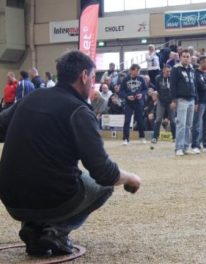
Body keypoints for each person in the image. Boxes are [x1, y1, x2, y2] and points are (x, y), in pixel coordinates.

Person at [0, 50, 141, 257]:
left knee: (41, 175)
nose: (93, 84)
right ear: (84, 76)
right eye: (93, 78)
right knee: (104, 187)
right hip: (53, 198)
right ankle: (57, 231)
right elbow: (103, 173)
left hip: (10, 199)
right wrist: (132, 178)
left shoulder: (30, 98)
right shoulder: (79, 111)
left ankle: (33, 228)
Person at [170, 50, 196, 156]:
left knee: (189, 125)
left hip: (191, 100)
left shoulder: (191, 69)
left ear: (190, 58)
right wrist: (173, 100)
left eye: (188, 56)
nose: (186, 58)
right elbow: (173, 86)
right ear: (180, 58)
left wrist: (196, 100)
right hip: (181, 100)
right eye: (184, 56)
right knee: (181, 124)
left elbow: (194, 85)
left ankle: (186, 147)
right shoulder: (176, 69)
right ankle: (179, 147)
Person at [191, 56, 206, 153]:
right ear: (201, 63)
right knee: (197, 124)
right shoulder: (195, 73)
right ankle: (195, 145)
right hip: (200, 102)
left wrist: (205, 86)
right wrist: (196, 101)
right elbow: (198, 88)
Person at [120, 64, 148, 145]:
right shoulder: (125, 79)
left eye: (139, 71)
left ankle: (142, 137)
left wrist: (141, 94)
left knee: (140, 120)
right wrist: (127, 96)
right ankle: (125, 138)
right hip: (129, 103)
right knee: (127, 120)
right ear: (131, 71)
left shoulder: (141, 79)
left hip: (138, 102)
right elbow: (121, 91)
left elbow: (145, 89)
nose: (138, 72)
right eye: (136, 70)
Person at [152, 65, 175, 143]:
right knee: (158, 119)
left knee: (172, 120)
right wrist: (156, 97)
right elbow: (157, 89)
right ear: (163, 71)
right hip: (161, 101)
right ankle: (155, 137)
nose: (169, 73)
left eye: (170, 71)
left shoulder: (172, 78)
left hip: (171, 102)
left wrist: (173, 101)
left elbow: (175, 90)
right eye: (167, 71)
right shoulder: (158, 78)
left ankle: (174, 137)